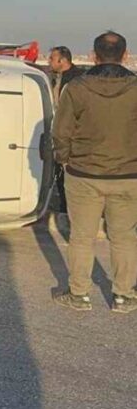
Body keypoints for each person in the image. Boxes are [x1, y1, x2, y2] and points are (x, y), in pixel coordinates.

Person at [52, 31, 137, 313]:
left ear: (93, 56)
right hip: (128, 175)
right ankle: (123, 296)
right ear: (125, 56)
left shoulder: (76, 88)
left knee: (82, 236)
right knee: (124, 237)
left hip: (84, 174)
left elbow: (61, 132)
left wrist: (64, 160)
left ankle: (79, 294)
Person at [48, 46, 86, 219]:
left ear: (62, 60)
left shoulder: (76, 81)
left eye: (51, 59)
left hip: (71, 137)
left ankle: (67, 212)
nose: (49, 62)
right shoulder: (58, 78)